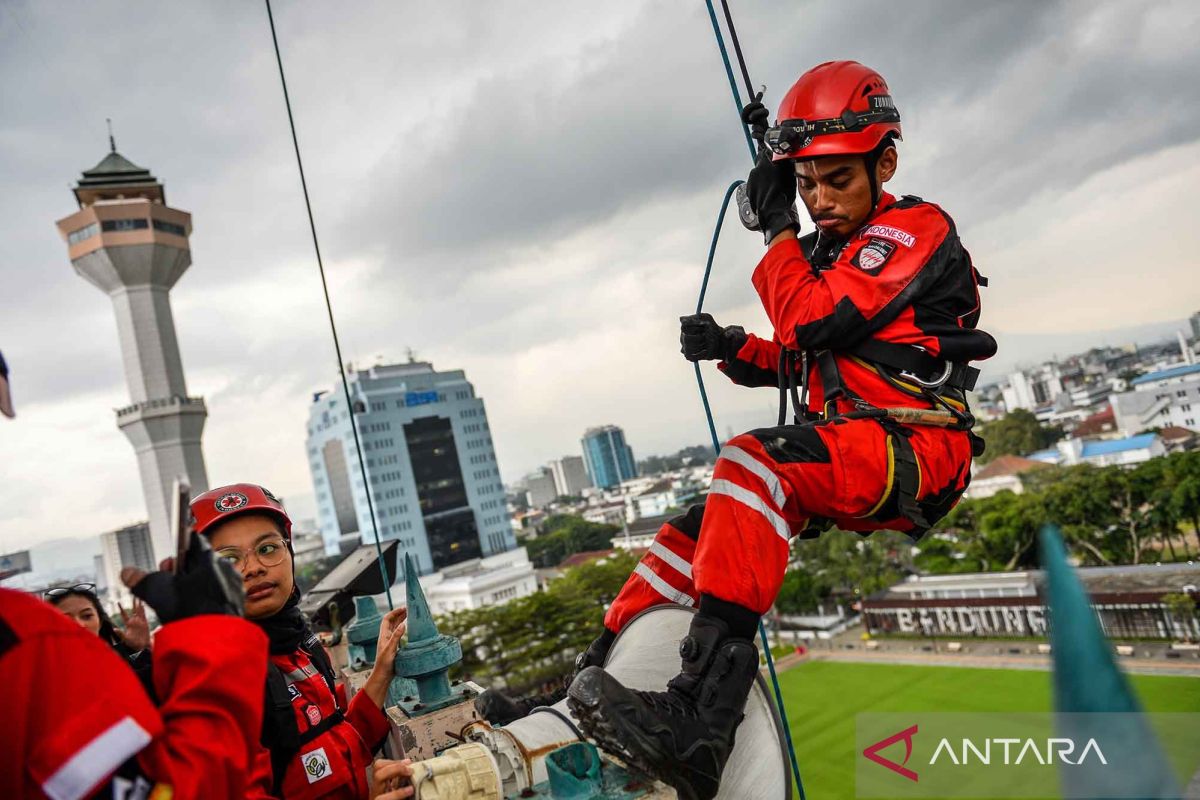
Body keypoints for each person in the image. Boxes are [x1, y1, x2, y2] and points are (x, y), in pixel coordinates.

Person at [568, 60, 996, 800]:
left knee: (751, 460)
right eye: (805, 184)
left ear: (884, 162)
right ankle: (589, 684)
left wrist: (776, 229)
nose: (819, 200)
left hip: (913, 449)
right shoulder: (834, 254)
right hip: (856, 445)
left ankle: (703, 718)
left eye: (837, 180)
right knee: (692, 531)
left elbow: (812, 321)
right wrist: (730, 347)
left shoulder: (911, 229)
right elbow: (805, 355)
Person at [3, 526, 268, 799]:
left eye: (86, 615)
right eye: (65, 620)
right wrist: (214, 632)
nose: (255, 569)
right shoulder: (26, 642)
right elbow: (178, 789)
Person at [185, 483, 407, 799]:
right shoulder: (214, 688)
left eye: (267, 549)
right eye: (228, 560)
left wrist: (381, 673)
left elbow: (335, 742)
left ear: (289, 553)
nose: (253, 568)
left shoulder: (301, 649)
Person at [45, 583, 154, 694]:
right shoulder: (42, 677)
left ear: (100, 622)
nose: (79, 624)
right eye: (65, 619)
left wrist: (144, 647)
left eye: (87, 616)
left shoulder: (120, 665)